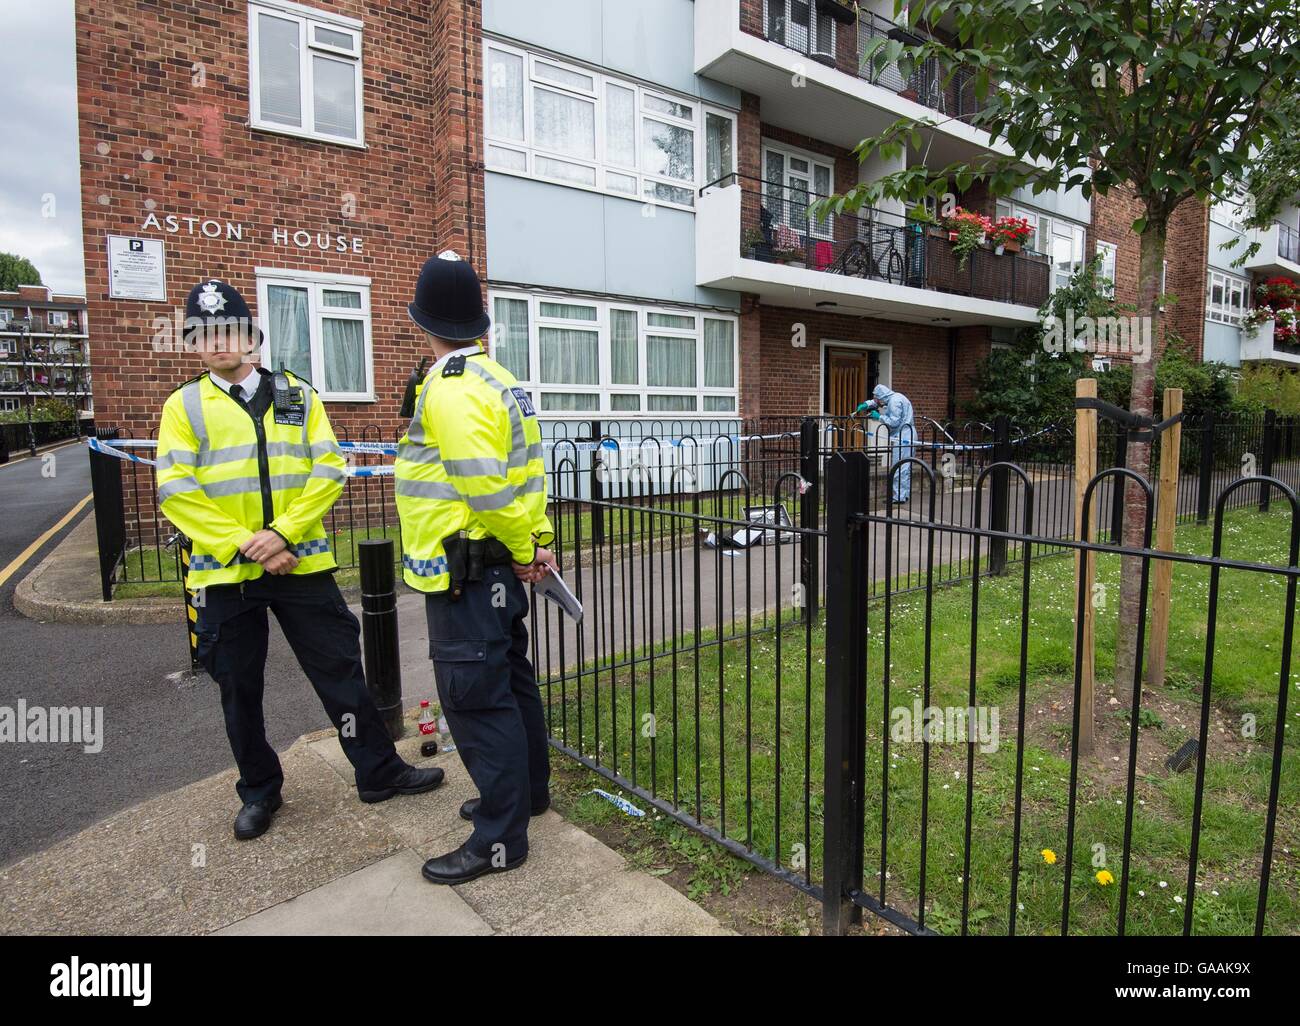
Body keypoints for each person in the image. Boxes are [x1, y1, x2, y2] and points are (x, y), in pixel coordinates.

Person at [157, 279, 443, 841]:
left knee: (340, 673)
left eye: (228, 330)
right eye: (204, 334)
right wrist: (249, 542)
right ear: (193, 344)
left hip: (301, 565)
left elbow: (328, 469)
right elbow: (176, 489)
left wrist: (282, 533)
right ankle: (260, 790)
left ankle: (378, 771)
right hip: (227, 573)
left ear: (251, 336)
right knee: (239, 689)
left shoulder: (295, 393)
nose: (217, 342)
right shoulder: (183, 405)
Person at [394, 251, 556, 886]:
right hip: (495, 573)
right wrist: (535, 541)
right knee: (511, 689)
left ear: (422, 321)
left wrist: (523, 549)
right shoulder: (501, 381)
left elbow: (483, 486)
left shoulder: (452, 386)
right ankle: (525, 798)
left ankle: (499, 837)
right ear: (480, 322)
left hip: (467, 573)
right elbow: (527, 481)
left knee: (477, 703)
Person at [858, 383, 916, 504]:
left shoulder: (894, 402)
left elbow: (894, 422)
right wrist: (866, 404)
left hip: (903, 435)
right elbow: (878, 402)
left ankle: (898, 497)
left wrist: (879, 417)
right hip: (907, 433)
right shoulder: (893, 397)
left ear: (882, 396)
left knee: (899, 466)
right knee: (905, 465)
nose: (877, 403)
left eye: (877, 399)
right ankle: (903, 494)